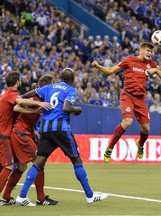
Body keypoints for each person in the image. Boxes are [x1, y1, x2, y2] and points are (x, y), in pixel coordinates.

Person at [15, 68, 108, 206]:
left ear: (61, 77)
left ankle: (22, 195)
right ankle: (90, 195)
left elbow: (30, 94)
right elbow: (66, 108)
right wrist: (77, 110)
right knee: (76, 159)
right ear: (73, 80)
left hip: (45, 129)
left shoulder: (48, 87)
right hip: (61, 129)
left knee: (39, 162)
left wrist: (20, 97)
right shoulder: (70, 90)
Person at [91, 42, 161, 163]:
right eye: (147, 50)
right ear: (141, 50)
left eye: (151, 51)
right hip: (127, 95)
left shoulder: (151, 64)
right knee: (127, 122)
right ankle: (110, 147)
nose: (149, 53)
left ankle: (140, 144)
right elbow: (111, 70)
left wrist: (156, 71)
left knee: (146, 129)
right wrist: (98, 67)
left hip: (141, 99)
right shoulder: (129, 60)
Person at [0, 75, 58, 206]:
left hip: (19, 133)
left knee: (21, 166)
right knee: (38, 163)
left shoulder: (39, 98)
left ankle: (6, 196)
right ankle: (40, 198)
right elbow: (16, 108)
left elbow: (23, 117)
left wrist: (33, 132)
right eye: (53, 86)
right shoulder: (35, 99)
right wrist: (38, 106)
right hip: (20, 134)